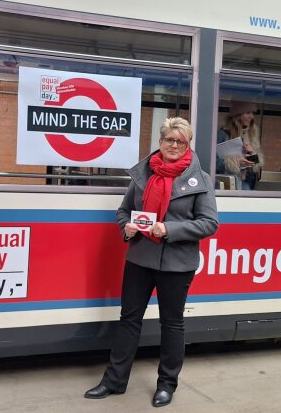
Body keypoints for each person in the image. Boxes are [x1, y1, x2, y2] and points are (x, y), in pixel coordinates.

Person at [84, 117, 218, 408]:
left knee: (172, 323)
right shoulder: (143, 175)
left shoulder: (201, 180)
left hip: (177, 263)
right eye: (169, 139)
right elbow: (123, 212)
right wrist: (127, 227)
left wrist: (171, 229)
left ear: (187, 145)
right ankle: (113, 381)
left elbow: (209, 224)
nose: (173, 145)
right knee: (129, 320)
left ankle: (167, 384)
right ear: (160, 142)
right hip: (140, 258)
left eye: (180, 141)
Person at [216, 100, 264, 190]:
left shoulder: (252, 134)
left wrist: (252, 154)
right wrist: (235, 162)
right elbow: (213, 163)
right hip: (228, 182)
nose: (251, 116)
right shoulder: (223, 134)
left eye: (253, 113)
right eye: (248, 113)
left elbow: (256, 165)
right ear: (238, 114)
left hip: (248, 181)